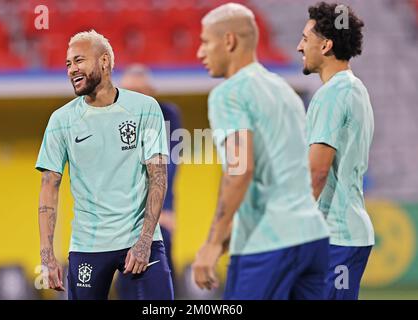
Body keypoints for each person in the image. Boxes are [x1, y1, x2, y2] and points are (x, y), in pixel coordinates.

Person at [192, 3, 329, 300]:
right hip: (313, 237)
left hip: (267, 243)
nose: (200, 53)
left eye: (205, 42)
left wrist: (212, 242)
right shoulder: (285, 91)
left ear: (228, 41)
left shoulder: (228, 93)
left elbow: (240, 169)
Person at [35, 30, 173, 300]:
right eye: (68, 64)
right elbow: (49, 187)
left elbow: (158, 176)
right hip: (88, 245)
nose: (72, 69)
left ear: (105, 62)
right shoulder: (61, 120)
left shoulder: (145, 108)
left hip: (141, 241)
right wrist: (47, 255)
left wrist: (145, 241)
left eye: (79, 61)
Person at [297, 2, 374, 300]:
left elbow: (317, 172)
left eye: (305, 38)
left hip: (336, 236)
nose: (299, 47)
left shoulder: (331, 95)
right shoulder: (355, 89)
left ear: (326, 45)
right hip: (345, 234)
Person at [115, 64, 182, 297]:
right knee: (128, 282)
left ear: (150, 92)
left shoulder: (166, 115)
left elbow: (168, 165)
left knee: (161, 282)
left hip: (160, 216)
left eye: (137, 91)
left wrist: (161, 209)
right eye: (125, 92)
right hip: (124, 220)